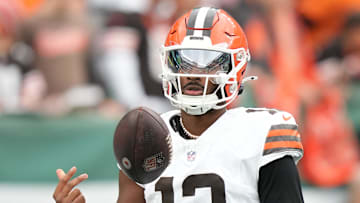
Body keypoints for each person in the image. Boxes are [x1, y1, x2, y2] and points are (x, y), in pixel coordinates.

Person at [53, 7, 304, 203]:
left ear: (235, 67)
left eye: (209, 61)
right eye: (183, 60)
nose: (194, 72)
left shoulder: (261, 133)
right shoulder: (144, 136)